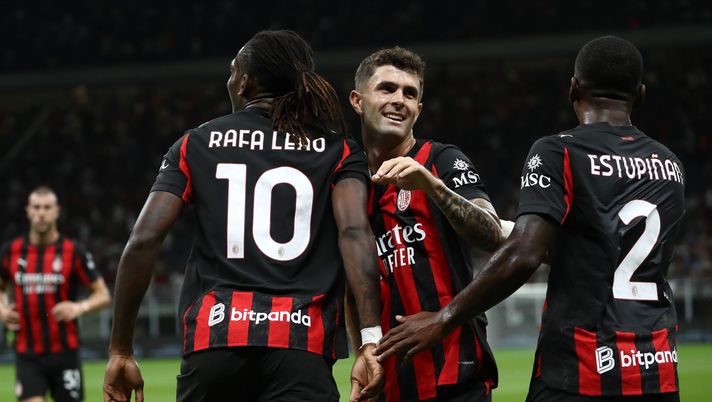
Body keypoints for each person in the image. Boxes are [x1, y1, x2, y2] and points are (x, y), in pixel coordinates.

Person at [374, 36, 684, 402]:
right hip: (658, 366)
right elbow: (605, 250)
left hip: (580, 369)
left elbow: (524, 254)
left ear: (573, 88)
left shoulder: (559, 151)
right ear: (641, 95)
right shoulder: (670, 166)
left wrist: (445, 318)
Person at [103, 30, 383, 402]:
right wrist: (369, 342)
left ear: (246, 81)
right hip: (300, 346)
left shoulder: (196, 144)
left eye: (233, 71)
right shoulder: (339, 150)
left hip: (215, 342)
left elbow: (143, 241)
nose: (230, 80)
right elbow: (353, 234)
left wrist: (120, 349)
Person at [348, 47, 506, 402]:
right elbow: (353, 283)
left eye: (410, 94)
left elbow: (492, 233)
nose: (399, 100)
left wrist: (433, 187)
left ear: (418, 111)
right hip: (387, 379)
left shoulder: (441, 160)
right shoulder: (350, 182)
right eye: (387, 88)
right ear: (358, 101)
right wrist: (364, 348)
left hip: (455, 374)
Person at [0, 186, 112, 402]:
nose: (41, 212)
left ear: (57, 211)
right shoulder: (11, 251)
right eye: (37, 207)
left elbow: (103, 294)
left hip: (65, 353)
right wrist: (3, 310)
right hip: (28, 354)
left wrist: (79, 307)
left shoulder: (73, 251)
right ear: (28, 210)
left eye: (47, 207)